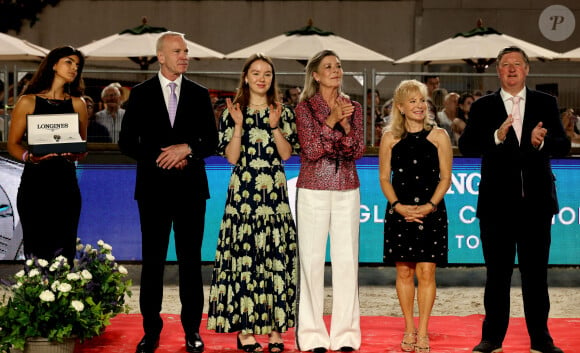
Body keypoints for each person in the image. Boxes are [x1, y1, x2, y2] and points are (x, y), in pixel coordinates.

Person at [458, 46, 570, 353]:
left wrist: (542, 141)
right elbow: (466, 145)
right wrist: (495, 136)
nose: (511, 69)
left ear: (527, 70)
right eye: (505, 64)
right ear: (498, 71)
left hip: (536, 206)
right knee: (497, 275)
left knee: (536, 276)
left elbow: (564, 145)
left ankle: (541, 339)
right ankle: (491, 338)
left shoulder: (546, 103)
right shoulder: (483, 106)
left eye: (517, 64)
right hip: (496, 208)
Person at [118, 31, 218, 353]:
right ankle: (151, 331)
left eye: (186, 51)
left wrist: (186, 149)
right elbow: (127, 142)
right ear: (161, 56)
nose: (184, 56)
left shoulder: (201, 94)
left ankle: (192, 331)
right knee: (153, 263)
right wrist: (163, 156)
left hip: (191, 191)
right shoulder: (141, 94)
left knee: (191, 264)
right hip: (153, 191)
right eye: (178, 51)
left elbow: (211, 142)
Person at [206, 53, 300, 353]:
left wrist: (274, 126)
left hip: (274, 195)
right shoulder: (231, 111)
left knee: (274, 260)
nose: (262, 78)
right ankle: (246, 330)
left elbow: (286, 155)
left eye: (268, 73)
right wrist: (237, 126)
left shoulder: (283, 112)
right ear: (245, 77)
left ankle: (275, 329)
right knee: (245, 260)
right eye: (256, 72)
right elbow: (232, 157)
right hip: (243, 194)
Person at [294, 49, 365, 353]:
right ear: (316, 75)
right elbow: (310, 149)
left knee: (347, 262)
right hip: (312, 189)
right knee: (310, 262)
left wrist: (345, 126)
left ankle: (346, 335)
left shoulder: (355, 106)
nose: (335, 70)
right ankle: (311, 336)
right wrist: (332, 121)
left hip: (348, 188)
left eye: (338, 65)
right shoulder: (304, 108)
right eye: (328, 66)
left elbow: (357, 149)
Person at [378, 79, 452, 353]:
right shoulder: (390, 138)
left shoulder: (440, 136)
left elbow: (446, 178)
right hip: (400, 210)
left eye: (422, 100)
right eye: (412, 101)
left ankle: (423, 331)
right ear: (400, 107)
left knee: (427, 270)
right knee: (405, 271)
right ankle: (408, 328)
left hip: (432, 211)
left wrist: (430, 206)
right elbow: (384, 178)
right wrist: (398, 206)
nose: (419, 105)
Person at [6, 46, 88, 265]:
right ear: (53, 64)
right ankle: (37, 297)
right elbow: (12, 144)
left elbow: (82, 146)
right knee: (36, 249)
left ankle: (63, 298)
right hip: (35, 183)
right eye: (69, 62)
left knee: (65, 249)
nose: (74, 68)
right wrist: (28, 157)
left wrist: (76, 153)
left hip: (66, 184)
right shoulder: (27, 102)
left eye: (77, 65)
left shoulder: (78, 104)